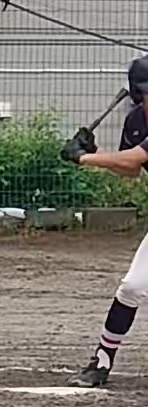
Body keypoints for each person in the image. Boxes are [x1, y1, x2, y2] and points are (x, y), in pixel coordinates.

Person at [61, 56, 148, 388]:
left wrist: (84, 157)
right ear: (137, 94)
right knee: (132, 287)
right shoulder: (136, 121)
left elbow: (135, 157)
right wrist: (96, 153)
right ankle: (102, 360)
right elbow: (130, 169)